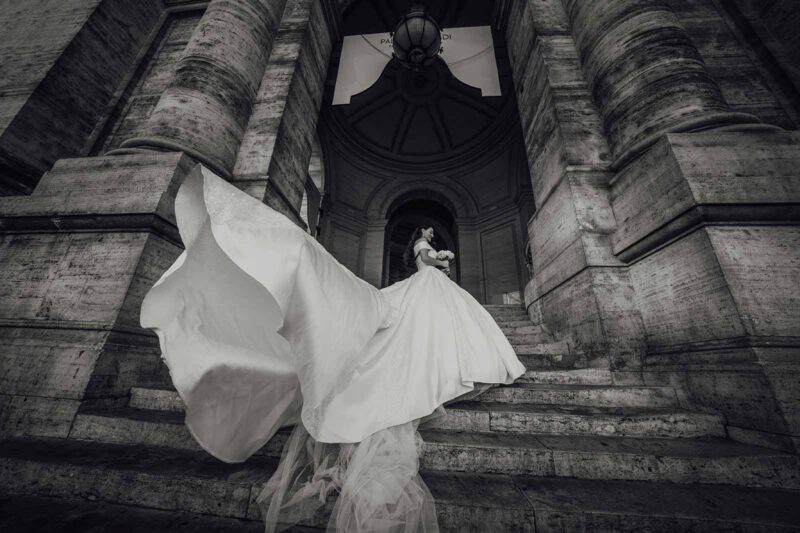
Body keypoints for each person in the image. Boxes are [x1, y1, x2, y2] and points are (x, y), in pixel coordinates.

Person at [140, 165, 526, 531]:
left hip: (427, 286)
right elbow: (426, 260)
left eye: (429, 231)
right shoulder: (423, 244)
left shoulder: (424, 246)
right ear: (421, 235)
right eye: (426, 230)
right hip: (428, 283)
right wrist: (440, 258)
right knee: (410, 321)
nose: (428, 231)